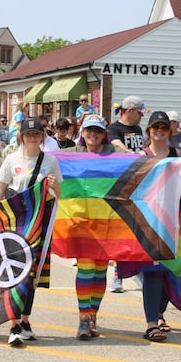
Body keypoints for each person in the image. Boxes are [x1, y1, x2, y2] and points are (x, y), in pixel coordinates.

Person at [0, 118, 63, 345]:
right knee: (13, 273)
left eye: (36, 135)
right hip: (14, 223)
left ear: (42, 137)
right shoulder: (11, 160)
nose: (32, 138)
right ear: (21, 136)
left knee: (31, 274)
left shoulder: (50, 161)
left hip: (38, 222)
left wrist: (53, 185)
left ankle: (25, 321)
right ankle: (14, 324)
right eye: (28, 134)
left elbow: (60, 193)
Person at [135, 111, 181, 341]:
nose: (159, 130)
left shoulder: (179, 155)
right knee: (152, 272)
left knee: (169, 270)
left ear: (169, 130)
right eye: (155, 127)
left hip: (175, 221)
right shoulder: (141, 156)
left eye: (163, 126)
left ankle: (160, 313)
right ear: (149, 130)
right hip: (150, 222)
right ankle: (152, 323)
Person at [65, 114, 126, 339]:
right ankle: (83, 318)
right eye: (89, 130)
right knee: (86, 268)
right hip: (82, 223)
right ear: (82, 132)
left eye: (98, 131)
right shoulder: (72, 154)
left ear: (104, 134)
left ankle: (92, 316)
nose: (93, 134)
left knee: (100, 270)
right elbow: (47, 160)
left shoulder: (112, 153)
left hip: (107, 221)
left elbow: (136, 162)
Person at [106, 95, 146, 292]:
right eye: (139, 113)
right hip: (121, 183)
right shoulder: (114, 128)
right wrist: (132, 155)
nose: (141, 117)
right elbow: (116, 145)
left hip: (138, 183)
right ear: (129, 110)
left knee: (136, 229)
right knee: (120, 230)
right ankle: (117, 276)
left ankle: (135, 268)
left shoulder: (138, 129)